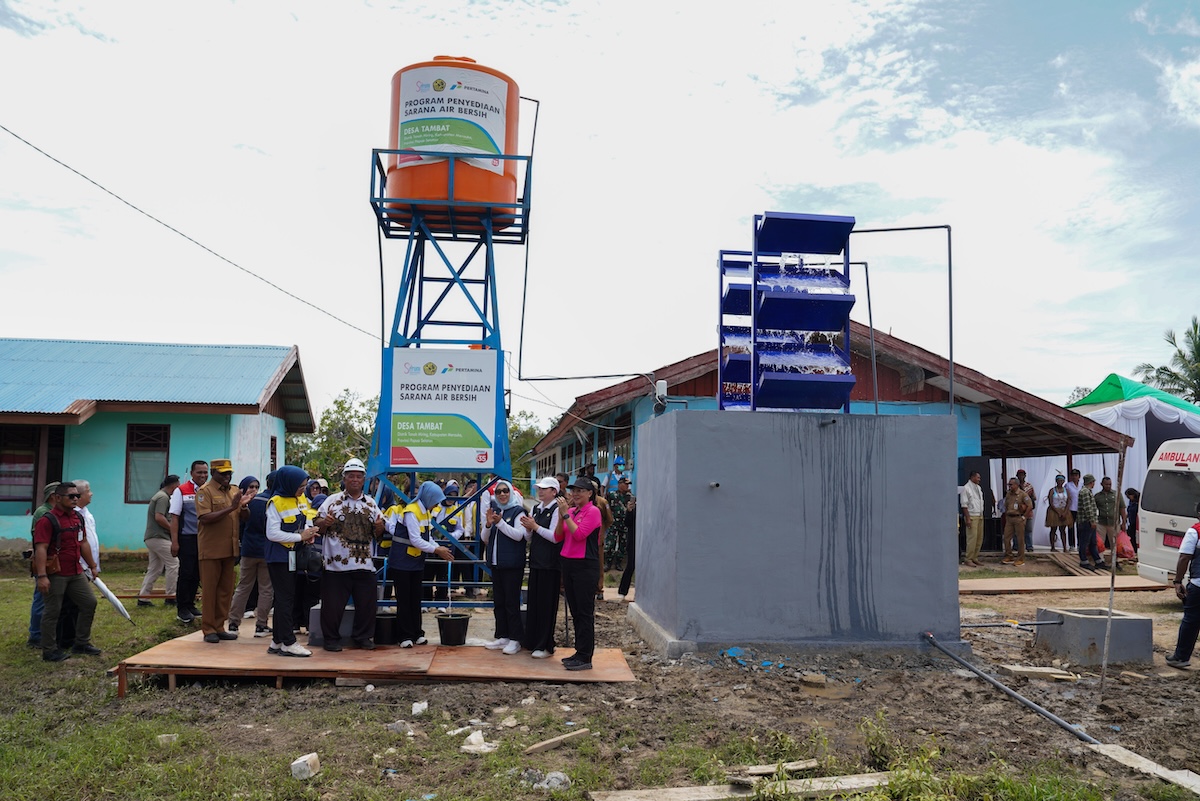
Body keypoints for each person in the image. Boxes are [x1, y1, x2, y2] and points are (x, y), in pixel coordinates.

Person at [315, 458, 386, 652]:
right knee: (332, 607)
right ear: (344, 479)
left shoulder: (371, 504)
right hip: (336, 565)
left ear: (364, 480)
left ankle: (362, 637)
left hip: (364, 564)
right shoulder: (331, 501)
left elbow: (378, 533)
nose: (354, 480)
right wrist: (324, 523)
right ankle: (330, 639)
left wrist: (380, 527)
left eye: (358, 477)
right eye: (351, 476)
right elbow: (315, 526)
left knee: (367, 606)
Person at [33, 483, 100, 662]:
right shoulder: (47, 520)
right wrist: (42, 576)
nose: (75, 499)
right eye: (71, 496)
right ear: (58, 497)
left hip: (76, 571)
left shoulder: (77, 517)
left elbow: (83, 542)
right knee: (53, 611)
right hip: (56, 573)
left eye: (77, 496)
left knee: (89, 603)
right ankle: (49, 650)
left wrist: (93, 565)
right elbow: (41, 548)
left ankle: (81, 643)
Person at [386, 480, 454, 648]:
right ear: (429, 498)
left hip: (415, 562)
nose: (437, 504)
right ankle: (404, 636)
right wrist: (437, 551)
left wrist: (437, 547)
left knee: (416, 599)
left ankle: (417, 633)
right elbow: (416, 540)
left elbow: (426, 537)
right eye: (436, 501)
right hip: (402, 562)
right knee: (404, 600)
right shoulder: (411, 512)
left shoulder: (425, 512)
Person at [264, 465, 319, 657]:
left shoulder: (300, 498)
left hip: (293, 554)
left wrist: (310, 532)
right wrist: (300, 537)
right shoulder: (275, 502)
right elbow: (272, 534)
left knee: (285, 598)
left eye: (304, 486)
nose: (302, 489)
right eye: (300, 486)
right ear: (288, 484)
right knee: (285, 599)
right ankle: (289, 642)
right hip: (279, 557)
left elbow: (307, 517)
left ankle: (277, 641)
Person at [196, 458, 251, 643]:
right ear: (213, 473)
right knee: (210, 591)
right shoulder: (205, 492)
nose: (227, 476)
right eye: (223, 473)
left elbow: (243, 517)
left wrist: (242, 507)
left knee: (225, 591)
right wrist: (231, 508)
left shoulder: (234, 490)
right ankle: (209, 628)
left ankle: (219, 626)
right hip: (211, 549)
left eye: (229, 473)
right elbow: (205, 518)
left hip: (230, 548)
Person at [557, 476, 603, 671]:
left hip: (585, 565)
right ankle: (579, 651)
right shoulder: (572, 511)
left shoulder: (593, 512)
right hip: (568, 563)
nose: (575, 494)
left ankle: (586, 656)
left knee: (584, 612)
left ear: (590, 493)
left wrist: (566, 515)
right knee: (575, 611)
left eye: (580, 491)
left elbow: (579, 535)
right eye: (574, 491)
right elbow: (559, 535)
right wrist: (562, 516)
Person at [482, 480, 529, 655]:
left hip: (512, 565)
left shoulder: (518, 512)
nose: (502, 494)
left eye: (505, 491)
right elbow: (485, 539)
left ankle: (515, 638)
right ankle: (502, 634)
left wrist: (500, 523)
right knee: (499, 602)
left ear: (511, 493)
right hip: (497, 564)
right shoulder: (496, 512)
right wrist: (488, 524)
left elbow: (519, 536)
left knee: (511, 602)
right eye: (499, 492)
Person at [227, 475, 273, 638]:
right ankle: (261, 625)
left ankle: (233, 623)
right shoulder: (274, 502)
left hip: (248, 549)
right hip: (267, 551)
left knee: (243, 586)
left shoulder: (249, 502)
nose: (253, 490)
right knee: (266, 589)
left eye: (256, 486)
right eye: (251, 486)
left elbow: (240, 525)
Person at [522, 476, 563, 657]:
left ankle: (545, 644)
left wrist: (535, 526)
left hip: (550, 564)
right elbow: (529, 537)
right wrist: (529, 529)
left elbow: (555, 536)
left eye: (544, 488)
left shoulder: (556, 509)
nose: (540, 491)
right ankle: (532, 640)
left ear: (554, 491)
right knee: (535, 603)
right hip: (537, 561)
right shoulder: (536, 508)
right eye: (539, 488)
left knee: (546, 605)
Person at [58, 478, 98, 650]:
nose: (91, 494)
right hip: (71, 567)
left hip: (84, 566)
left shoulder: (84, 514)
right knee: (67, 606)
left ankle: (77, 639)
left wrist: (93, 564)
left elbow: (86, 541)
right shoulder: (67, 516)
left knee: (82, 604)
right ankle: (64, 640)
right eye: (88, 491)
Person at [169, 460, 209, 623]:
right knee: (186, 572)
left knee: (197, 573)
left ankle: (191, 604)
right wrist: (175, 542)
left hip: (205, 539)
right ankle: (182, 608)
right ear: (192, 473)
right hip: (187, 538)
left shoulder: (209, 490)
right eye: (199, 472)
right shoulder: (182, 490)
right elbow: (175, 517)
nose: (203, 475)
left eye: (206, 472)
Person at [1165, 501, 1200, 669]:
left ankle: (1181, 657)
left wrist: (1178, 581)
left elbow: (1184, 557)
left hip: (1199, 584)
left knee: (1191, 620)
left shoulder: (1195, 531)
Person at [139, 475, 180, 607]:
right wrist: (173, 530)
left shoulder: (159, 495)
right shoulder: (163, 497)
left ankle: (143, 598)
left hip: (152, 537)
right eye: (177, 487)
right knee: (174, 563)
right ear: (173, 486)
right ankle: (171, 596)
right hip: (158, 537)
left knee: (155, 568)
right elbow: (159, 517)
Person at [27, 482, 59, 648]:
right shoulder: (43, 512)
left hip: (51, 560)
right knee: (41, 598)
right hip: (45, 561)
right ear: (54, 496)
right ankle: (35, 635)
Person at [1095, 476, 1127, 568]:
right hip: (1101, 523)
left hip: (1114, 523)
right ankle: (1100, 561)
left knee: (1114, 543)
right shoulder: (1097, 496)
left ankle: (1115, 561)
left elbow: (1122, 509)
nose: (1108, 486)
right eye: (1106, 484)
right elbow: (1094, 509)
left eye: (1110, 484)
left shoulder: (1117, 495)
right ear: (1102, 484)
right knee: (1100, 543)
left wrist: (1124, 522)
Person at [605, 475, 633, 572]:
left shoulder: (630, 497)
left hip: (624, 523)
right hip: (614, 523)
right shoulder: (611, 495)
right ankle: (608, 562)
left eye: (628, 485)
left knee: (623, 544)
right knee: (610, 543)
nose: (627, 486)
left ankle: (618, 563)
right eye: (626, 484)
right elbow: (606, 507)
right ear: (620, 484)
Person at [1000, 477, 1030, 566]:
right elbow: (1006, 505)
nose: (1009, 486)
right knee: (1006, 537)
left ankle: (1021, 558)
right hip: (1009, 518)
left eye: (1011, 484)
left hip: (1018, 518)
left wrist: (1024, 517)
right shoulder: (1008, 494)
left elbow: (1029, 506)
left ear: (1016, 485)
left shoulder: (1023, 494)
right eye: (1009, 484)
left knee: (1020, 539)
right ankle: (1009, 555)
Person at [616, 479, 638, 600]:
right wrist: (629, 511)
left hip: (644, 542)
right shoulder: (632, 504)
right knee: (630, 566)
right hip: (633, 540)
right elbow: (628, 523)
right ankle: (622, 592)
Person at [1076, 474, 1103, 571]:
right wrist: (1092, 520)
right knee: (1084, 542)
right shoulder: (1085, 492)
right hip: (1086, 522)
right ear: (1091, 482)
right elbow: (1088, 508)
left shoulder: (1088, 491)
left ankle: (1098, 560)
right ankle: (1083, 561)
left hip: (1090, 521)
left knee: (1093, 542)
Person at [959, 471, 984, 567]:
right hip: (972, 515)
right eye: (978, 477)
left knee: (979, 538)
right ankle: (968, 558)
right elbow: (964, 505)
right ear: (972, 477)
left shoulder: (978, 487)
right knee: (972, 538)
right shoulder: (966, 488)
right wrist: (968, 518)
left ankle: (975, 557)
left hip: (980, 515)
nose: (979, 479)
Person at [1044, 474, 1072, 553]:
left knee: (1063, 530)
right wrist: (1057, 512)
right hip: (1054, 511)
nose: (1060, 482)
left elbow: (1069, 501)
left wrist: (1065, 512)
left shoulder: (1066, 490)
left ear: (1064, 481)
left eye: (1062, 481)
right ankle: (1052, 547)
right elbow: (1051, 502)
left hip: (1064, 511)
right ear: (1056, 481)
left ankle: (1064, 547)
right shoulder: (1052, 490)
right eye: (1059, 480)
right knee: (1053, 529)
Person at [1015, 469, 1036, 553]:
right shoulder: (1015, 486)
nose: (1021, 476)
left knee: (1028, 529)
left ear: (1025, 475)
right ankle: (1016, 546)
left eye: (1022, 474)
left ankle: (1029, 546)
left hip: (1028, 510)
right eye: (1019, 475)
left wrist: (1028, 499)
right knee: (1016, 530)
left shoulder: (1029, 486)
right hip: (1017, 511)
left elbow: (1034, 497)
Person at [1065, 468, 1082, 550]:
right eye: (1073, 475)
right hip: (1071, 508)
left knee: (1080, 527)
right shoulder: (1068, 485)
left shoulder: (1082, 485)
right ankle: (1071, 545)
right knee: (1071, 527)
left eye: (1076, 475)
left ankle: (1079, 544)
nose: (1074, 477)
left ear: (1079, 476)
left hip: (1080, 509)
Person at [1126, 488, 1141, 553]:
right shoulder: (1131, 501)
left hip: (1137, 522)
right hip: (1131, 521)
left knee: (1136, 537)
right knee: (1131, 535)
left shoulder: (1139, 501)